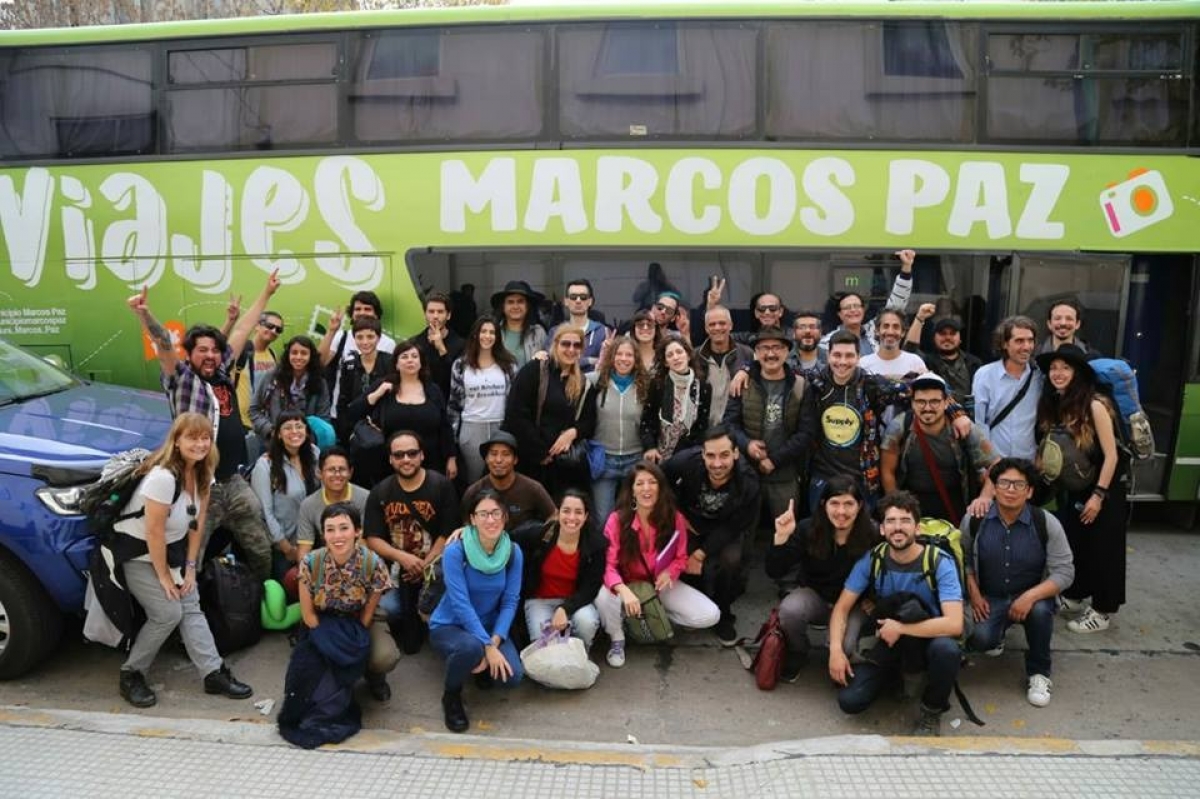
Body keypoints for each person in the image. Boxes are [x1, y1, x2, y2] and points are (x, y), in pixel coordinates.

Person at [127, 272, 279, 581]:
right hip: (196, 486)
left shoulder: (222, 371)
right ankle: (191, 605)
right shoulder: (181, 378)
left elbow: (244, 327)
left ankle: (262, 595)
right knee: (191, 555)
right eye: (202, 350)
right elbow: (161, 342)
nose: (210, 355)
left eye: (214, 349)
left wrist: (266, 292)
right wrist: (144, 315)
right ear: (189, 353)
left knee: (261, 547)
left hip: (233, 481)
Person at [114, 412, 253, 709]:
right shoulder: (163, 478)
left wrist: (190, 568)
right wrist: (165, 577)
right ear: (176, 441)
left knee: (190, 601)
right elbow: (153, 532)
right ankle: (131, 673)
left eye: (205, 438)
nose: (200, 444)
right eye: (192, 437)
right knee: (167, 612)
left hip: (171, 551)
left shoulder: (203, 471)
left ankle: (213, 672)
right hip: (137, 555)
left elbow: (196, 525)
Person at [829, 491, 964, 736]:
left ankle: (932, 709)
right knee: (850, 701)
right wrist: (836, 651)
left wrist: (901, 629)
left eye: (905, 521)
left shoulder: (939, 562)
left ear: (918, 528)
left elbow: (955, 624)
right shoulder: (873, 559)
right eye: (891, 521)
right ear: (882, 529)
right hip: (888, 641)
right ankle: (897, 676)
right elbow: (842, 607)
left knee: (947, 650)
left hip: (929, 638)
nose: (897, 528)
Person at [802, 330, 972, 512]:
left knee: (865, 535)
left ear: (859, 357)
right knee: (820, 533)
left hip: (863, 477)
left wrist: (956, 412)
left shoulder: (871, 385)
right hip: (823, 475)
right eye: (837, 355)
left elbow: (926, 387)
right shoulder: (815, 385)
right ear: (828, 355)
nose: (842, 362)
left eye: (849, 355)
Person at [962, 458, 1074, 708]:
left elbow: (1065, 571)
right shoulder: (975, 519)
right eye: (1004, 483)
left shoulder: (1045, 522)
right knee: (981, 639)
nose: (1010, 490)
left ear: (1030, 491)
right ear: (994, 487)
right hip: (990, 596)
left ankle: (1039, 673)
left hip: (1031, 594)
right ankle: (998, 633)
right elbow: (963, 559)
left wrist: (1030, 596)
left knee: (1040, 611)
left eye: (1018, 484)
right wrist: (975, 592)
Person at [1034, 345, 1127, 634]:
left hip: (1104, 490)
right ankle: (1075, 595)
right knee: (1078, 543)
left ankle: (1102, 610)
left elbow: (1112, 455)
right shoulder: (1056, 404)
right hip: (1075, 487)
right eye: (1054, 368)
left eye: (1065, 368)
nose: (1058, 373)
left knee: (1104, 549)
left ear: (1078, 374)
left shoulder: (1095, 404)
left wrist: (1099, 496)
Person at [594, 462, 720, 668]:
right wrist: (623, 590)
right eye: (640, 483)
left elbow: (680, 558)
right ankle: (618, 638)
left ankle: (652, 615)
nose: (646, 488)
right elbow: (607, 566)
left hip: (657, 585)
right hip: (625, 585)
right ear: (631, 490)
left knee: (710, 615)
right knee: (602, 597)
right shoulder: (616, 520)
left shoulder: (674, 518)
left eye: (652, 482)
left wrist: (670, 573)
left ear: (661, 487)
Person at [288, 503, 397, 718]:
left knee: (383, 656)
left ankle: (374, 676)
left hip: (359, 619)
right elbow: (309, 616)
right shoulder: (310, 563)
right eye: (330, 529)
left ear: (357, 531)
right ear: (323, 534)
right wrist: (330, 645)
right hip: (323, 622)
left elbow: (368, 613)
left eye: (344, 528)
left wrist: (352, 643)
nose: (337, 536)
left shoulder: (372, 563)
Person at [429, 490, 525, 733]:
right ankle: (451, 695)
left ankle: (476, 662)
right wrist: (487, 647)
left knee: (512, 677)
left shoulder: (513, 551)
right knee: (470, 648)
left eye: (495, 513)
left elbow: (510, 601)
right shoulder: (456, 551)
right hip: (451, 624)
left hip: (489, 625)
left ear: (504, 516)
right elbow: (461, 604)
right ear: (472, 518)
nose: (490, 520)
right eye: (483, 514)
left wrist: (495, 639)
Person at [767, 477, 876, 680]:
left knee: (846, 646)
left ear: (860, 505)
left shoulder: (873, 533)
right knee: (790, 610)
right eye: (834, 503)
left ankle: (843, 657)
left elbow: (886, 571)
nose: (841, 512)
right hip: (816, 595)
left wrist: (875, 598)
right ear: (823, 504)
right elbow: (775, 570)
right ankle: (798, 652)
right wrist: (781, 538)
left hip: (854, 603)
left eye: (848, 504)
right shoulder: (808, 528)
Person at [363, 431, 459, 655]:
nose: (406, 459)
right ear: (390, 459)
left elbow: (449, 532)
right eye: (399, 455)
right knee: (390, 610)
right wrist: (403, 558)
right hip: (398, 571)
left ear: (422, 455)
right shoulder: (381, 491)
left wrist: (426, 564)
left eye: (411, 453)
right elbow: (373, 538)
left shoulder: (441, 486)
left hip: (436, 567)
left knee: (441, 606)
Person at [663, 426, 761, 646]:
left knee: (730, 560)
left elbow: (736, 526)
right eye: (711, 456)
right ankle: (695, 604)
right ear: (702, 454)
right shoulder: (686, 462)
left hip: (726, 527)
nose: (717, 464)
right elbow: (659, 477)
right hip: (690, 523)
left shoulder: (749, 482)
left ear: (736, 453)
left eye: (724, 455)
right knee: (681, 557)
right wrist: (675, 512)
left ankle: (723, 614)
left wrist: (701, 553)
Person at [881, 373, 998, 523]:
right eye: (921, 402)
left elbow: (996, 464)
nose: (927, 408)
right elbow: (887, 471)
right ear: (912, 403)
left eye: (934, 402)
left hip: (957, 503)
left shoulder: (964, 429)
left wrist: (985, 497)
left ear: (946, 403)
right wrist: (895, 508)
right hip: (912, 505)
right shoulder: (900, 426)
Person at [724, 327, 814, 519]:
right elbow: (730, 424)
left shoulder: (801, 386)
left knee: (785, 534)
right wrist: (747, 445)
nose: (771, 353)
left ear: (786, 351)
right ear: (756, 353)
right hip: (747, 473)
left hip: (785, 476)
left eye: (777, 347)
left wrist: (775, 460)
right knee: (744, 533)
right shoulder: (742, 383)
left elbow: (806, 433)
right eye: (764, 348)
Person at [347, 339, 456, 489]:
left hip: (430, 463)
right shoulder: (384, 385)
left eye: (414, 356)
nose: (410, 360)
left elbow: (445, 426)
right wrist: (376, 394)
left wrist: (451, 458)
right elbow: (353, 412)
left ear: (421, 362)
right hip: (391, 465)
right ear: (397, 364)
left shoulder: (433, 390)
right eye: (404, 357)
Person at [503, 325, 597, 498]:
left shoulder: (584, 384)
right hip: (531, 462)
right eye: (565, 344)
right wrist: (541, 452)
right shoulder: (535, 371)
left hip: (564, 467)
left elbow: (589, 421)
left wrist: (573, 432)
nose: (571, 349)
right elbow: (516, 414)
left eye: (576, 345)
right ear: (555, 345)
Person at [522, 490, 605, 651]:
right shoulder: (543, 534)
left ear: (586, 516)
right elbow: (505, 536)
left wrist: (565, 609)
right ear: (558, 513)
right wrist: (470, 532)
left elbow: (591, 587)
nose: (572, 518)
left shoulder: (595, 544)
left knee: (586, 622)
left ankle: (581, 655)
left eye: (578, 512)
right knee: (544, 647)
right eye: (566, 511)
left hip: (575, 602)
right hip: (540, 601)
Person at [250, 410, 322, 584]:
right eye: (288, 428)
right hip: (285, 548)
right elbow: (265, 514)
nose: (294, 432)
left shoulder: (315, 453)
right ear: (279, 434)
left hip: (317, 542)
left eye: (299, 426)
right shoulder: (265, 465)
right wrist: (287, 548)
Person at [588, 336, 651, 524]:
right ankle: (606, 553)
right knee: (603, 519)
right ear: (611, 356)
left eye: (629, 355)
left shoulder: (645, 385)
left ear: (636, 359)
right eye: (619, 354)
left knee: (635, 518)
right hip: (604, 460)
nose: (624, 359)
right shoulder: (596, 380)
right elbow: (568, 375)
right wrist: (543, 357)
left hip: (635, 459)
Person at [448, 316, 517, 485]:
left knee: (501, 479)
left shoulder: (509, 365)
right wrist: (453, 442)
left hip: (501, 426)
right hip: (472, 428)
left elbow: (515, 402)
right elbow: (454, 405)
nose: (487, 336)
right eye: (483, 331)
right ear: (475, 335)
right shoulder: (460, 365)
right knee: (475, 481)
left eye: (492, 332)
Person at [819, 249, 916, 357]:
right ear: (840, 314)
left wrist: (906, 268)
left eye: (856, 306)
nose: (853, 310)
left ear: (863, 310)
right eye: (847, 307)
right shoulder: (826, 343)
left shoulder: (875, 331)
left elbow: (896, 305)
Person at [318, 290, 397, 421]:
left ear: (376, 314)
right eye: (357, 309)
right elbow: (320, 363)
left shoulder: (388, 343)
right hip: (340, 413)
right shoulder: (341, 337)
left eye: (367, 309)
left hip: (377, 415)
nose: (362, 312)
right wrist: (331, 331)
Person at [461, 430, 557, 535]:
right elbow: (465, 524)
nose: (498, 460)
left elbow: (554, 516)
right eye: (493, 454)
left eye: (506, 454)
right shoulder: (474, 491)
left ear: (515, 459)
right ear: (486, 459)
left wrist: (544, 539)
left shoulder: (533, 488)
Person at [974, 316, 1042, 460]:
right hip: (995, 463)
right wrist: (985, 466)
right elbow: (979, 423)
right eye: (1019, 341)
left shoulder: (1040, 377)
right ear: (1004, 344)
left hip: (1028, 463)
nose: (1026, 347)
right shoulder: (985, 375)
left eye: (1030, 340)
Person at [640, 337, 711, 464]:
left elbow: (701, 427)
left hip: (688, 457)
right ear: (666, 362)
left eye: (679, 352)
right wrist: (650, 447)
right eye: (670, 355)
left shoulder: (703, 387)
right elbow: (647, 420)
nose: (676, 357)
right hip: (659, 456)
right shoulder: (657, 385)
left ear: (688, 356)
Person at [249, 335, 332, 443]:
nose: (298, 357)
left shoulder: (319, 382)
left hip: (306, 444)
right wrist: (271, 430)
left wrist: (305, 436)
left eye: (304, 353)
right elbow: (254, 410)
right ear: (288, 355)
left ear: (311, 356)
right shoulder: (272, 377)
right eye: (294, 353)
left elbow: (323, 418)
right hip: (272, 442)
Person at [904, 305, 982, 418]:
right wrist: (920, 318)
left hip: (967, 423)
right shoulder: (926, 361)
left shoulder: (974, 363)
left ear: (960, 338)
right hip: (934, 421)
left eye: (952, 334)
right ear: (934, 338)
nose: (947, 337)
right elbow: (910, 350)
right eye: (942, 333)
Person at [296, 446, 369, 562]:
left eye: (342, 469)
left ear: (350, 473)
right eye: (331, 470)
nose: (337, 474)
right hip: (323, 563)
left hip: (356, 562)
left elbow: (364, 543)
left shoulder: (365, 498)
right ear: (319, 473)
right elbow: (304, 549)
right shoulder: (308, 505)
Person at [334, 316, 390, 445]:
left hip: (384, 428)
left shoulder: (390, 362)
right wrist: (346, 432)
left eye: (370, 337)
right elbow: (343, 402)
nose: (365, 342)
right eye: (359, 337)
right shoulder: (349, 365)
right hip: (355, 430)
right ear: (354, 339)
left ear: (379, 337)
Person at [697, 306, 753, 427]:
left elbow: (761, 365)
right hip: (704, 431)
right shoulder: (695, 356)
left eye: (722, 323)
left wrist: (746, 369)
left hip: (735, 431)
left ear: (731, 326)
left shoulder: (746, 353)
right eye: (712, 324)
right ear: (706, 328)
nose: (717, 328)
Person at [233, 310, 282, 432]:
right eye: (270, 326)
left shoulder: (272, 354)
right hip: (241, 422)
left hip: (264, 423)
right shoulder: (241, 351)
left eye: (278, 329)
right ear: (257, 325)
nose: (274, 331)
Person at [550, 279, 610, 373]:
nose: (578, 301)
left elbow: (606, 365)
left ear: (590, 301)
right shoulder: (555, 332)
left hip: (593, 385)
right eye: (573, 297)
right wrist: (589, 360)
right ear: (566, 301)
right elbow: (552, 362)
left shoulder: (602, 332)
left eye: (583, 297)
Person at [415, 291, 465, 398]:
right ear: (425, 314)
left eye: (440, 312)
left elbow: (458, 379)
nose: (435, 316)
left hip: (448, 402)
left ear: (448, 315)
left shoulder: (460, 345)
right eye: (431, 311)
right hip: (421, 402)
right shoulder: (414, 343)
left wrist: (441, 348)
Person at [492, 280, 547, 368]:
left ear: (527, 306)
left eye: (520, 301)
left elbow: (547, 365)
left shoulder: (538, 332)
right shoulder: (493, 332)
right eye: (510, 302)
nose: (515, 306)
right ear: (503, 307)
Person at [859, 310, 927, 380]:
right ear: (877, 331)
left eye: (896, 327)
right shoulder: (863, 364)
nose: (890, 332)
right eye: (886, 326)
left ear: (903, 332)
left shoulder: (915, 362)